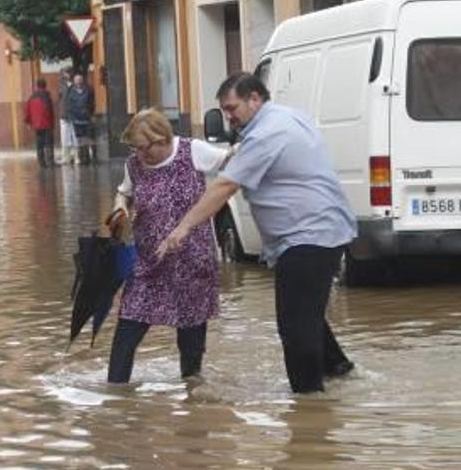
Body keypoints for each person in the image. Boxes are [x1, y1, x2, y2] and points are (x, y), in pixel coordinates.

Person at [156, 72, 356, 394]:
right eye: (223, 111)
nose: (229, 117)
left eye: (232, 108)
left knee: (293, 325)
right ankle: (340, 371)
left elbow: (225, 185)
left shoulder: (266, 133)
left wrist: (183, 227)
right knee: (307, 313)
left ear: (254, 99)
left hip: (307, 236)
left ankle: (308, 403)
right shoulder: (288, 117)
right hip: (323, 231)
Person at [106, 109, 230, 383]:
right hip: (148, 263)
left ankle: (192, 392)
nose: (139, 155)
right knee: (128, 326)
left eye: (143, 148)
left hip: (192, 261)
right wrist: (119, 208)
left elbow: (231, 163)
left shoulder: (192, 150)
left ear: (162, 138)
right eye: (134, 148)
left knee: (190, 338)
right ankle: (115, 395)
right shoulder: (134, 165)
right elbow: (123, 192)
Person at [62, 73, 96, 165]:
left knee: (88, 138)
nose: (78, 82)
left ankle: (88, 157)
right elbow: (69, 104)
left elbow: (92, 103)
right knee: (79, 139)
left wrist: (91, 114)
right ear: (74, 81)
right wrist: (70, 116)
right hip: (76, 119)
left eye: (80, 80)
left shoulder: (88, 90)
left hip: (86, 118)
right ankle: (82, 157)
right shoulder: (71, 91)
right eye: (77, 80)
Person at [24, 79, 56, 167]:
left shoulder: (32, 97)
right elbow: (49, 110)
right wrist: (52, 123)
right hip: (47, 123)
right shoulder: (46, 96)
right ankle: (50, 161)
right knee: (48, 143)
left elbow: (27, 111)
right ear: (45, 85)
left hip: (36, 125)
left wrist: (28, 122)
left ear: (37, 86)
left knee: (39, 143)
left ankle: (41, 162)